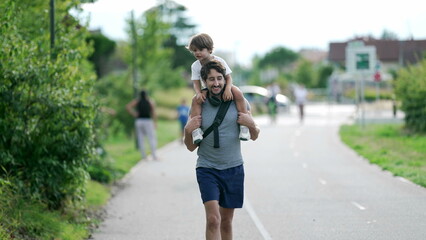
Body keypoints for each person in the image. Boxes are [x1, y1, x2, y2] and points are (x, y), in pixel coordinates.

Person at [183, 60, 260, 240]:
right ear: (204, 82)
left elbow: (254, 135)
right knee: (213, 219)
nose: (216, 83)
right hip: (207, 169)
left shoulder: (238, 101)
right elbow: (190, 146)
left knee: (226, 221)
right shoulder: (199, 103)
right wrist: (188, 131)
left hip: (233, 168)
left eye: (219, 78)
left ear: (225, 79)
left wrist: (252, 125)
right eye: (211, 79)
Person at [186, 33, 250, 144]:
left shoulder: (219, 61)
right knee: (196, 100)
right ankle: (196, 130)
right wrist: (198, 93)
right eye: (195, 50)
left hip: (224, 85)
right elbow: (196, 83)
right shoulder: (195, 66)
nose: (197, 53)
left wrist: (228, 89)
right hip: (207, 87)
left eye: (201, 49)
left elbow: (228, 78)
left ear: (210, 50)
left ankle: (244, 126)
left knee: (238, 92)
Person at [126, 90, 158, 160]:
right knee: (151, 138)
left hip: (139, 121)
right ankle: (154, 155)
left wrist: (134, 114)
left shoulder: (137, 101)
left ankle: (144, 156)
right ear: (146, 95)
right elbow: (153, 112)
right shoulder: (150, 101)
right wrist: (155, 122)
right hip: (148, 121)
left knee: (141, 139)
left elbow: (128, 107)